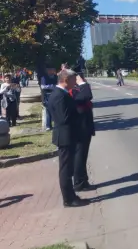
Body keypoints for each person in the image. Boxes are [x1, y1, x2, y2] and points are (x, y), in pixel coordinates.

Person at [47, 69, 89, 207]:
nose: (75, 82)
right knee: (65, 169)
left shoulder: (61, 93)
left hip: (68, 136)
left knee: (68, 168)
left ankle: (71, 195)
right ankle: (68, 199)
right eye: (73, 80)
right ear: (66, 80)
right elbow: (63, 118)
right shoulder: (59, 95)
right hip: (65, 136)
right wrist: (77, 113)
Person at [69, 73, 95, 192]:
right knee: (79, 156)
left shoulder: (77, 89)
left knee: (83, 156)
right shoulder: (71, 91)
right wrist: (83, 84)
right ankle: (78, 183)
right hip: (79, 128)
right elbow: (87, 96)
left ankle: (83, 180)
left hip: (85, 127)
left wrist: (83, 84)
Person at [40, 66, 58, 131]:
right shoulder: (44, 78)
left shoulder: (56, 77)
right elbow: (43, 86)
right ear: (47, 70)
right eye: (49, 69)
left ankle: (56, 124)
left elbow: (58, 84)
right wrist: (52, 86)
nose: (51, 71)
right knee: (48, 111)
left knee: (56, 110)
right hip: (47, 95)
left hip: (56, 95)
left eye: (52, 69)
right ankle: (48, 125)